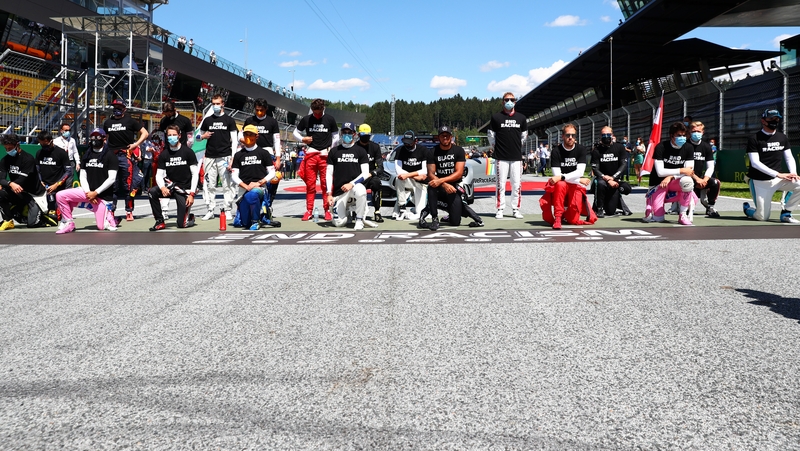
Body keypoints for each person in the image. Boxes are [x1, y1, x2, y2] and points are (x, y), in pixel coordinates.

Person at [54, 128, 119, 234]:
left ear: (104, 138)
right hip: (87, 193)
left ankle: (108, 215)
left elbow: (111, 178)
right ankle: (69, 223)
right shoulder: (87, 155)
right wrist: (88, 193)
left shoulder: (110, 156)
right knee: (61, 195)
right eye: (93, 136)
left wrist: (95, 193)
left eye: (98, 136)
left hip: (102, 196)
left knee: (101, 227)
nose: (95, 139)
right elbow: (83, 176)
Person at [743, 109, 800, 222]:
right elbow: (755, 163)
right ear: (763, 121)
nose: (774, 121)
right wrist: (778, 174)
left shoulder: (782, 137)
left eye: (777, 118)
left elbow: (789, 157)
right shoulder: (754, 138)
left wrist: (793, 173)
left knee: (799, 184)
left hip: (778, 180)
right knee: (762, 217)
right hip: (760, 181)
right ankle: (748, 210)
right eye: (771, 119)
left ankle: (786, 213)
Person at [539, 124, 594, 229]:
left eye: (573, 135)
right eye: (568, 135)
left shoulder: (581, 149)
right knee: (560, 184)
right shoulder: (556, 151)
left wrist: (570, 178)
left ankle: (566, 213)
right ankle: (558, 217)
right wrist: (578, 179)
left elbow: (579, 172)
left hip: (574, 185)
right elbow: (557, 176)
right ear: (563, 136)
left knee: (573, 220)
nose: (570, 138)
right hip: (564, 185)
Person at [293, 98, 338, 221]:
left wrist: (332, 148)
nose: (317, 115)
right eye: (315, 112)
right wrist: (303, 139)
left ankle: (327, 210)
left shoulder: (329, 119)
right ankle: (309, 210)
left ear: (323, 109)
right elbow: (295, 133)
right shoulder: (307, 119)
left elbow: (336, 136)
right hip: (311, 154)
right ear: (312, 110)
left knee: (326, 184)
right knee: (310, 185)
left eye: (319, 113)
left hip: (325, 154)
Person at [326, 122, 377, 230]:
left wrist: (351, 184)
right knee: (339, 223)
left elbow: (365, 173)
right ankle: (347, 213)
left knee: (361, 190)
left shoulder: (361, 151)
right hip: (339, 192)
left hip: (354, 187)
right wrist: (329, 194)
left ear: (354, 134)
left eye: (349, 132)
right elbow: (329, 173)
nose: (347, 134)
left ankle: (359, 220)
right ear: (341, 133)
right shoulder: (334, 151)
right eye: (344, 132)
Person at [103, 98, 148, 222]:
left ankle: (129, 211)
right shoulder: (107, 122)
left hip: (126, 156)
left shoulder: (130, 121)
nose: (116, 109)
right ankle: (111, 211)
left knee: (128, 184)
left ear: (124, 109)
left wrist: (135, 145)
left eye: (119, 107)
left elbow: (145, 133)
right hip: (111, 156)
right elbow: (104, 138)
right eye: (114, 107)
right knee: (113, 185)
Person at [148, 125, 198, 231]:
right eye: (169, 135)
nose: (172, 137)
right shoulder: (164, 154)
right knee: (152, 191)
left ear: (179, 136)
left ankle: (190, 217)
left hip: (184, 189)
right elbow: (159, 175)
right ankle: (159, 221)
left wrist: (192, 194)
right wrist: (162, 188)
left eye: (174, 135)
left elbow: (195, 174)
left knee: (182, 224)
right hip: (170, 186)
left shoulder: (188, 152)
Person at [196, 94, 239, 221]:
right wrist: (203, 136)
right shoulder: (208, 120)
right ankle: (210, 209)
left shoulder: (229, 120)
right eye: (213, 103)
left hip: (225, 156)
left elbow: (235, 140)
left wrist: (233, 158)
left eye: (217, 103)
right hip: (209, 156)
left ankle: (228, 209)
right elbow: (197, 137)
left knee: (228, 185)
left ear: (222, 104)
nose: (215, 106)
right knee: (209, 185)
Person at [643, 122, 695, 225]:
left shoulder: (688, 147)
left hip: (675, 182)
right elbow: (660, 172)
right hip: (659, 183)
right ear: (672, 135)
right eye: (679, 135)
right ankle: (651, 204)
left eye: (684, 135)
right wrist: (681, 170)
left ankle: (683, 214)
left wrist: (671, 176)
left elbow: (689, 171)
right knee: (658, 218)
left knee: (687, 181)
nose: (682, 138)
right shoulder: (661, 147)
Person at [487, 92, 527, 220]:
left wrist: (517, 147)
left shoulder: (521, 118)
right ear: (502, 102)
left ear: (515, 102)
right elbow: (491, 135)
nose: (509, 101)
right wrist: (495, 147)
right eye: (506, 99)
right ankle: (500, 209)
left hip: (516, 157)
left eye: (512, 99)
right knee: (501, 184)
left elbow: (524, 136)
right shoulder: (496, 117)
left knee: (517, 184)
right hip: (501, 157)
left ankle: (516, 209)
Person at [241, 98, 282, 215]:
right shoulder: (249, 120)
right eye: (257, 110)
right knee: (251, 178)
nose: (259, 112)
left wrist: (278, 158)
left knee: (273, 180)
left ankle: (267, 206)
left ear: (266, 109)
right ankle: (251, 206)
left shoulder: (272, 122)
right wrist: (245, 142)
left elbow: (276, 140)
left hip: (267, 152)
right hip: (251, 152)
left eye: (262, 110)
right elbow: (241, 135)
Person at [231, 125, 275, 230]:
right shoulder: (238, 155)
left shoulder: (264, 153)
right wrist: (245, 186)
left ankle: (256, 221)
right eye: (246, 134)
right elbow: (234, 175)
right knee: (243, 223)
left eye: (251, 134)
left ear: (257, 136)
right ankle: (256, 215)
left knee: (252, 195)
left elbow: (272, 173)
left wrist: (258, 183)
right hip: (243, 189)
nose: (248, 137)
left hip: (259, 188)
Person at [423, 126, 466, 231]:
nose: (445, 138)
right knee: (431, 186)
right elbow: (430, 173)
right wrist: (443, 184)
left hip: (454, 186)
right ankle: (434, 218)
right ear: (439, 137)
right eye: (442, 136)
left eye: (447, 136)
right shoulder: (432, 152)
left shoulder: (459, 150)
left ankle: (450, 214)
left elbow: (459, 173)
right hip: (439, 186)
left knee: (455, 222)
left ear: (451, 137)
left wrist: (442, 180)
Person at [0, 133, 46, 230]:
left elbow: (21, 181)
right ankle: (8, 220)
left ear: (17, 145)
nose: (8, 151)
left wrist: (7, 183)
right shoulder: (5, 160)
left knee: (32, 224)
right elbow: (1, 178)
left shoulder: (28, 159)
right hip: (18, 191)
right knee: (1, 192)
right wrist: (9, 183)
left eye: (10, 148)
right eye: (6, 149)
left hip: (33, 194)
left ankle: (39, 212)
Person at [591, 126, 631, 217]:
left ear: (612, 135)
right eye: (603, 135)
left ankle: (617, 199)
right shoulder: (596, 150)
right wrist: (607, 179)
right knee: (600, 184)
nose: (606, 136)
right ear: (600, 136)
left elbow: (623, 165)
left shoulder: (619, 147)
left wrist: (613, 178)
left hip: (615, 180)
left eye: (608, 134)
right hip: (601, 180)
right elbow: (595, 168)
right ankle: (599, 208)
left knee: (626, 188)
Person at [687, 121, 722, 218]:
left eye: (698, 131)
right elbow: (684, 167)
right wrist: (696, 179)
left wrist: (704, 180)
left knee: (715, 182)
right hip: (687, 177)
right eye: (694, 131)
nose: (696, 134)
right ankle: (677, 206)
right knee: (687, 207)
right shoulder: (685, 145)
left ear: (703, 132)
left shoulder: (706, 147)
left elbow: (710, 166)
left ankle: (710, 207)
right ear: (689, 131)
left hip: (701, 178)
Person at [35, 131, 72, 216]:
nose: (44, 147)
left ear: (51, 141)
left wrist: (57, 184)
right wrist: (40, 181)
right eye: (42, 145)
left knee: (57, 215)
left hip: (58, 187)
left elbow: (68, 171)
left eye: (46, 144)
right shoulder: (39, 153)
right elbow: (37, 169)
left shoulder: (61, 153)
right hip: (44, 187)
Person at [393, 130, 428, 220]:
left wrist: (409, 175)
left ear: (415, 141)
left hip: (420, 182)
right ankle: (402, 208)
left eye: (410, 143)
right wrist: (415, 175)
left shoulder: (423, 150)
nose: (407, 145)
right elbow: (399, 171)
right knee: (399, 179)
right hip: (409, 180)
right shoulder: (400, 150)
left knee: (420, 213)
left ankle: (414, 208)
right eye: (405, 143)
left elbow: (425, 170)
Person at [354, 123, 384, 222]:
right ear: (359, 135)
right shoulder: (354, 147)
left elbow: (380, 167)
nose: (365, 138)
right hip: (357, 175)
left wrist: (371, 173)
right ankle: (354, 210)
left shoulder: (375, 147)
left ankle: (377, 211)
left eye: (367, 136)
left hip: (370, 175)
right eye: (363, 136)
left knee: (376, 183)